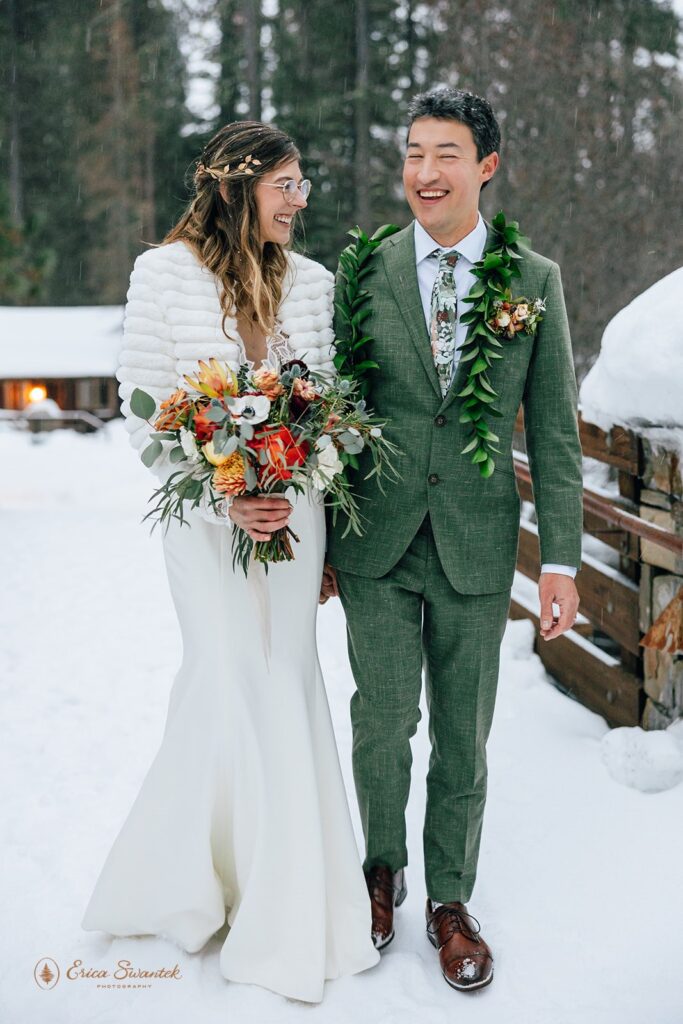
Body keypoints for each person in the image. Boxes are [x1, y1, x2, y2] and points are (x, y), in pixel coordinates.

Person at [81, 120, 379, 1003]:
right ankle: (196, 878)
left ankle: (287, 893)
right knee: (224, 672)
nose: (300, 199)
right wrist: (222, 495)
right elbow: (144, 413)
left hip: (296, 519)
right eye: (285, 183)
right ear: (235, 184)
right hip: (203, 528)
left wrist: (303, 488)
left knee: (283, 675)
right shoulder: (162, 273)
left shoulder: (315, 284)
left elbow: (325, 410)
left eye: (303, 185)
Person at [323, 87, 583, 992]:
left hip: (476, 544)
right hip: (376, 544)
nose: (423, 174)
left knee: (463, 739)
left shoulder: (533, 281)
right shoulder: (362, 272)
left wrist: (558, 560)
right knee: (382, 720)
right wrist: (319, 537)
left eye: (443, 155)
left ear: (485, 166)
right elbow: (334, 413)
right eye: (410, 154)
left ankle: (449, 902)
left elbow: (552, 433)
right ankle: (379, 875)